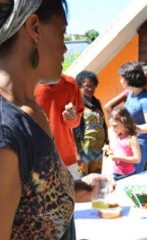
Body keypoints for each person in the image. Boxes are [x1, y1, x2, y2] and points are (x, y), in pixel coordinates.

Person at [0, 1, 115, 239]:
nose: (65, 47)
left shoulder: (31, 110)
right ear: (34, 27)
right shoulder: (5, 128)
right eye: (62, 31)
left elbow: (32, 200)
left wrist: (77, 188)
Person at [35, 73, 84, 180]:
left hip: (66, 156)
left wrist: (71, 118)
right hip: (39, 160)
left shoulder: (70, 84)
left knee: (76, 194)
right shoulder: (27, 84)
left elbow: (75, 123)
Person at [112, 61, 147, 174]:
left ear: (129, 79)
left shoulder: (145, 99)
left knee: (134, 178)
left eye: (122, 78)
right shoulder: (131, 93)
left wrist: (130, 127)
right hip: (130, 142)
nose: (120, 80)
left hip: (141, 144)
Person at [74, 70, 108, 177]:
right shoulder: (76, 104)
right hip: (83, 149)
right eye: (86, 86)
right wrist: (76, 153)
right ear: (79, 86)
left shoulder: (96, 102)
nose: (90, 89)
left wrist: (107, 139)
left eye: (93, 86)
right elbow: (71, 129)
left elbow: (103, 122)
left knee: (95, 180)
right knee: (83, 181)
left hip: (97, 149)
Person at [103, 107, 141, 180]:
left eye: (115, 126)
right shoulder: (116, 135)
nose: (113, 129)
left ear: (124, 123)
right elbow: (115, 152)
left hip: (128, 175)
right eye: (112, 126)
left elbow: (137, 159)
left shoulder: (131, 138)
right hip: (115, 173)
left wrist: (118, 158)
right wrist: (108, 151)